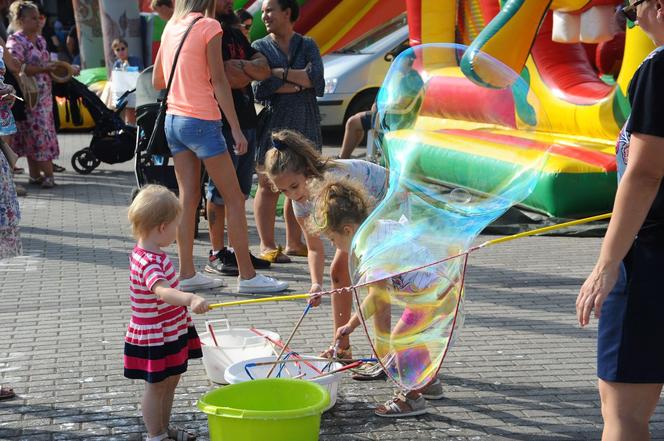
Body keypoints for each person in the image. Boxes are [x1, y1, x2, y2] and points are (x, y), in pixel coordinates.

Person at [153, 0, 288, 293]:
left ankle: (186, 273)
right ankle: (248, 277)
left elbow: (158, 79)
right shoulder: (208, 26)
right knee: (235, 198)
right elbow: (219, 81)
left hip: (174, 121)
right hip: (202, 120)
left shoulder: (171, 26)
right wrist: (236, 128)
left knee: (188, 198)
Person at [576, 1, 664, 439]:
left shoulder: (660, 69)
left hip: (650, 260)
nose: (631, 17)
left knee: (624, 413)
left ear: (660, 8)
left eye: (632, 9)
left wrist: (605, 264)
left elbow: (646, 172)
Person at [308, 178, 448, 417]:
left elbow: (377, 298)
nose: (334, 246)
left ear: (348, 230)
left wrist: (350, 325)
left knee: (400, 339)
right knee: (409, 337)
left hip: (429, 294)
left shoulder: (372, 252)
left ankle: (411, 398)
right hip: (435, 287)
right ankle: (429, 382)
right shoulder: (378, 226)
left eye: (332, 240)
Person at [260, 129, 387, 358]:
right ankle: (342, 346)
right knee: (338, 271)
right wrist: (316, 284)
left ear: (307, 172)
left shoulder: (333, 180)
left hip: (385, 200)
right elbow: (314, 249)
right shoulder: (300, 203)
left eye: (294, 186)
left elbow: (355, 221)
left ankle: (384, 354)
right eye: (283, 191)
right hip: (360, 216)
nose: (290, 195)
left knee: (375, 280)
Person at [124, 185, 208, 441]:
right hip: (156, 334)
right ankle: (155, 435)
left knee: (171, 381)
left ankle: (163, 427)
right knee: (157, 386)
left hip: (170, 330)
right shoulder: (148, 261)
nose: (177, 231)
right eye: (176, 226)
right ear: (162, 227)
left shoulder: (152, 252)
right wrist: (190, 298)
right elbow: (161, 291)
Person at [251, 0, 324, 263]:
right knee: (268, 186)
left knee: (302, 185)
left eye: (269, 10)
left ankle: (295, 242)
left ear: (287, 12)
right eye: (262, 12)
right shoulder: (258, 47)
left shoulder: (308, 45)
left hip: (306, 123)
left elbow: (318, 82)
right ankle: (267, 245)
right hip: (274, 125)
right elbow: (259, 88)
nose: (265, 16)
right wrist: (297, 80)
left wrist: (278, 75)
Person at [204, 0, 272, 276]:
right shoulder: (209, 33)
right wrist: (246, 71)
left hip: (247, 121)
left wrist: (241, 65)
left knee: (240, 192)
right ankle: (217, 252)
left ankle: (238, 250)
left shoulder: (232, 33)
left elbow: (263, 68)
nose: (229, 2)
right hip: (222, 122)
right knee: (219, 191)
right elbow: (226, 78)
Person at [6, 0, 60, 189]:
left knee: (38, 134)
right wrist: (43, 68)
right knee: (36, 135)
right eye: (33, 18)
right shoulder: (16, 41)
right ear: (21, 20)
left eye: (40, 18)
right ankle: (48, 175)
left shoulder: (40, 39)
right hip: (29, 98)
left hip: (43, 97)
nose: (38, 22)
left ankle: (36, 175)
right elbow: (16, 67)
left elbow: (46, 62)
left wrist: (57, 68)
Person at [111, 38, 143, 125]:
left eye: (123, 48)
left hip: (133, 91)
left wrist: (129, 69)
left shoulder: (135, 60)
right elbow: (113, 79)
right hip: (121, 93)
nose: (121, 51)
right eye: (118, 50)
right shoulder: (116, 64)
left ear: (127, 48)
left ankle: (130, 125)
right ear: (114, 52)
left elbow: (141, 74)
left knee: (131, 108)